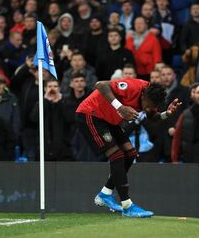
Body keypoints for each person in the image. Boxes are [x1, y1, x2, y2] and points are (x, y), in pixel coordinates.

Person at [76, 77, 181, 217]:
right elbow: (100, 85)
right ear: (143, 94)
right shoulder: (132, 87)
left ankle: (105, 194)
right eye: (146, 104)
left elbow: (152, 117)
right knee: (117, 155)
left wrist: (166, 115)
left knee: (130, 154)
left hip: (109, 119)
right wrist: (120, 107)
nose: (146, 108)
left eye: (150, 106)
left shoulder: (151, 97)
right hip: (90, 113)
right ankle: (127, 206)